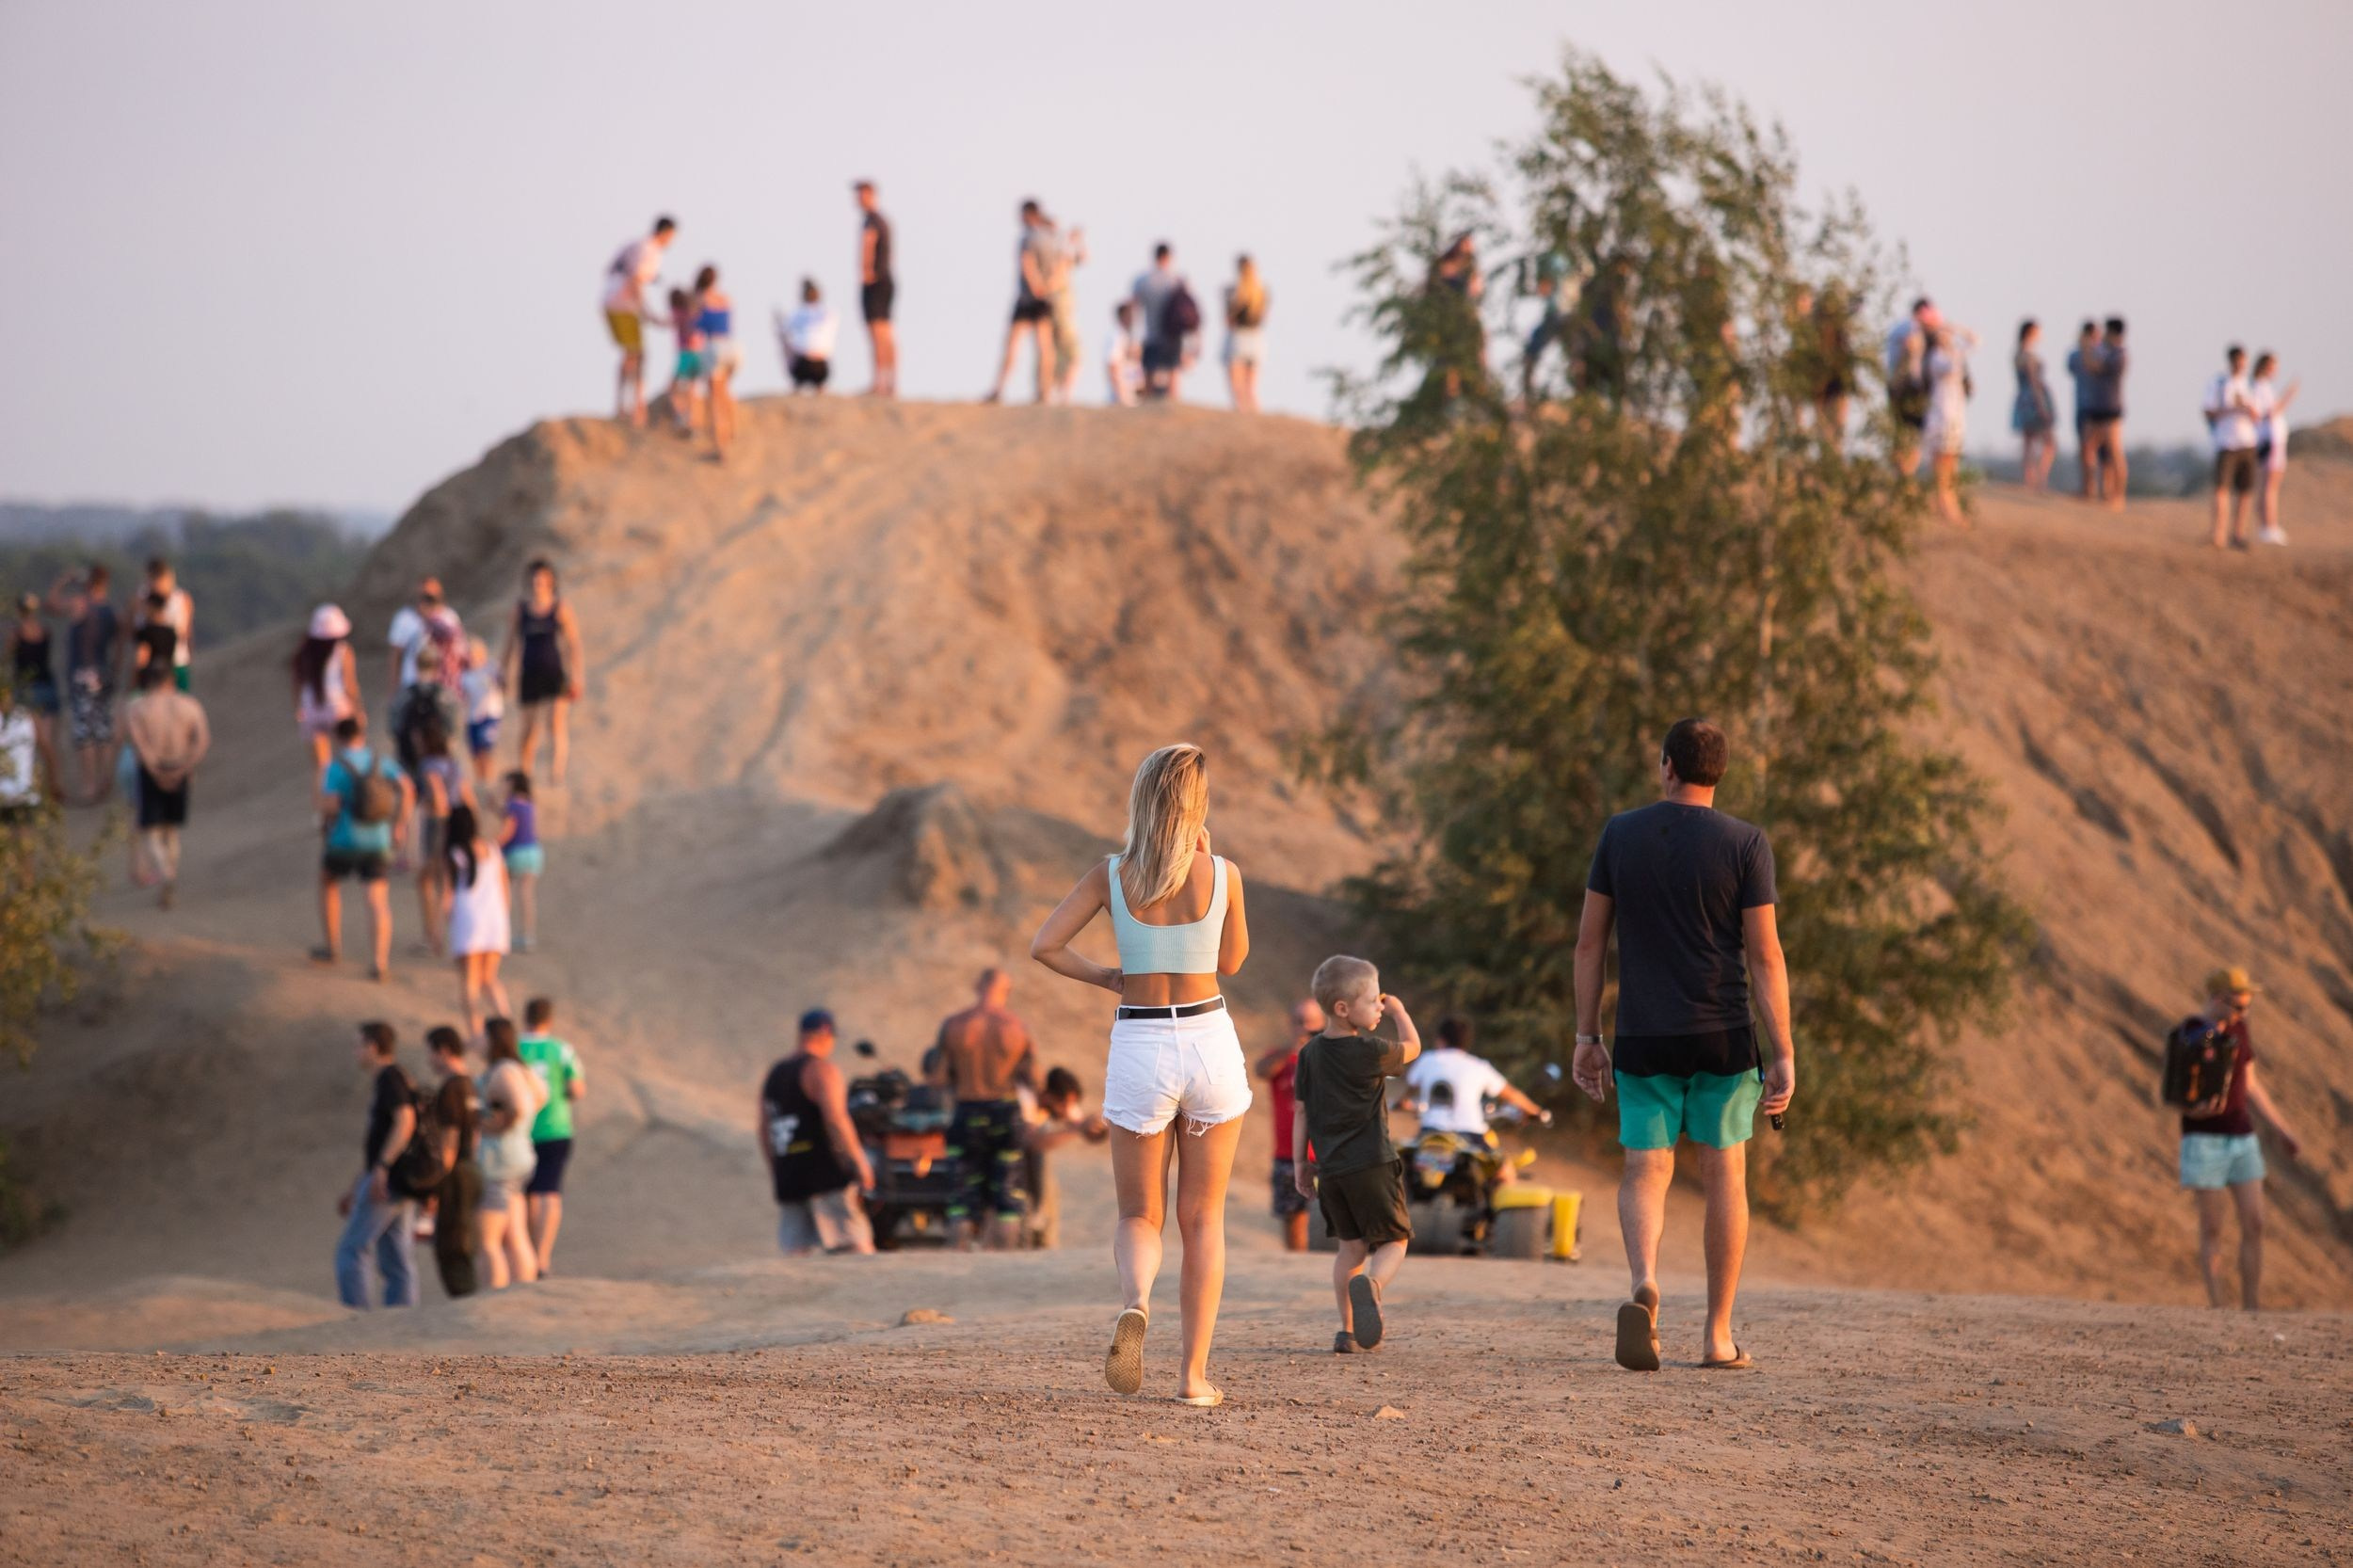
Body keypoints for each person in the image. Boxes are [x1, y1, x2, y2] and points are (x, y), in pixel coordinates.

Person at [1571, 718, 1796, 1371]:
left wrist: (1589, 1035)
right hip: (1723, 1035)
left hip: (1643, 1034)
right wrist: (1782, 1050)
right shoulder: (1747, 844)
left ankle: (1645, 1279)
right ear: (1718, 772)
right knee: (1725, 1173)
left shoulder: (1620, 834)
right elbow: (1766, 956)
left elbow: (1589, 945)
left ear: (1667, 764)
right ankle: (1717, 1335)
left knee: (1646, 1169)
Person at [1030, 743, 1251, 1406]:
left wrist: (1105, 976)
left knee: (1139, 1214)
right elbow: (1233, 961)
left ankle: (1137, 1302)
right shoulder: (1224, 873)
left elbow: (1045, 945)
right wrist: (1208, 862)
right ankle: (1193, 1379)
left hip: (1141, 1040)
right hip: (1208, 1038)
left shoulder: (1111, 874)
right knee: (1203, 1216)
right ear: (1197, 804)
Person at [1293, 957, 1420, 1353]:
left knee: (1350, 1248)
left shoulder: (1309, 1053)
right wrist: (1400, 1012)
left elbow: (1301, 1111)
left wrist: (1301, 1164)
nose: (1380, 1006)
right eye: (1373, 999)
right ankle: (1375, 1285)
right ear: (1343, 1009)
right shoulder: (1370, 1050)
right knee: (1395, 1240)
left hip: (1330, 1170)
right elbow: (1414, 1049)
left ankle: (1347, 1332)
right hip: (1374, 1163)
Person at [2175, 968, 2303, 1312]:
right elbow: (2175, 1090)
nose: (2242, 1014)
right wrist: (2195, 1109)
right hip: (2204, 1140)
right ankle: (2218, 1307)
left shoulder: (2239, 1031)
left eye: (2246, 1008)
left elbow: (2251, 1084)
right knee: (2213, 1227)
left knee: (2255, 1221)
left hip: (2241, 1137)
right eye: (2237, 1007)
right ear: (2218, 999)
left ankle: (2251, 1307)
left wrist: (2282, 1129)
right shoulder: (2191, 1033)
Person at [933, 968, 1042, 1249]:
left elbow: (939, 1078)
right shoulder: (1016, 1027)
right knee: (1006, 1194)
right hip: (1004, 1112)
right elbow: (1034, 1080)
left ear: (976, 985)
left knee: (961, 1196)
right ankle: (1002, 1266)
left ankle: (959, 1258)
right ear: (1006, 992)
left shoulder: (954, 1025)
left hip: (966, 1110)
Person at [760, 1008, 877, 1256]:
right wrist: (859, 1162)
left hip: (789, 1175)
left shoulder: (774, 1075)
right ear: (826, 1036)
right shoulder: (821, 1070)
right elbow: (836, 1119)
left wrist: (778, 1169)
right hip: (824, 1176)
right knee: (855, 1246)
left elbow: (763, 1130)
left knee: (795, 1254)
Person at [315, 713, 415, 979]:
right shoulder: (381, 761)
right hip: (378, 840)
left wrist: (324, 821)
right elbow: (407, 787)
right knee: (377, 899)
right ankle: (379, 963)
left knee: (328, 882)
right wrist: (400, 823)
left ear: (338, 738)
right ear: (362, 735)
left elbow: (332, 804)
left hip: (343, 839)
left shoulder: (335, 767)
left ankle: (332, 947)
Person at [335, 1022, 420, 1309]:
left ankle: (357, 1319)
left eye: (358, 1045)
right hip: (396, 1180)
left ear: (373, 1046)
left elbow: (406, 1120)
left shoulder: (390, 1077)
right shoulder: (398, 1077)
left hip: (389, 1183)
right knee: (395, 1256)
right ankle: (400, 1320)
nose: (355, 1052)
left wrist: (381, 1169)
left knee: (351, 1250)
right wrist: (358, 1182)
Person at [1400, 1016, 1551, 1161]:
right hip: (1469, 1134)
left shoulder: (1427, 1060)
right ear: (1466, 1042)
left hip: (1430, 1132)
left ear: (1441, 1040)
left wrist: (1403, 1102)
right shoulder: (1479, 1066)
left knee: (1407, 1164)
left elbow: (1410, 1089)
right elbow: (1511, 1094)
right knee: (1504, 1172)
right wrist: (1535, 1111)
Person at [120, 661, 209, 907]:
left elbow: (138, 744)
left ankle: (165, 874)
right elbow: (201, 741)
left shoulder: (139, 707)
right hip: (180, 767)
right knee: (171, 829)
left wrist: (155, 771)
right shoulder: (189, 705)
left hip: (151, 770)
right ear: (171, 681)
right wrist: (185, 767)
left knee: (151, 830)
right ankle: (171, 871)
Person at [518, 997, 584, 1276]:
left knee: (529, 1194)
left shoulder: (515, 1047)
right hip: (556, 1127)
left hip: (522, 1128)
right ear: (549, 1020)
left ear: (526, 1017)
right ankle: (542, 1257)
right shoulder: (562, 1049)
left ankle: (528, 1254)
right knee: (550, 1192)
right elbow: (577, 1089)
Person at [474, 1016, 543, 1290]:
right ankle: (523, 1292)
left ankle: (494, 1297)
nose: (477, 1041)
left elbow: (519, 1106)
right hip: (519, 1155)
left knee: (488, 1240)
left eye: (482, 1035)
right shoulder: (521, 1069)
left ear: (493, 1040)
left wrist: (494, 1125)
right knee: (516, 1235)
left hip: (499, 1161)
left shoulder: (502, 1070)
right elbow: (541, 1096)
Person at [503, 559, 584, 787]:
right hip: (529, 674)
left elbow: (573, 644)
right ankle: (525, 773)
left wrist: (576, 676)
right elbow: (509, 644)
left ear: (550, 581)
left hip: (554, 673)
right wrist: (503, 672)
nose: (537, 583)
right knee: (529, 729)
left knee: (555, 722)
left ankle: (556, 773)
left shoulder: (560, 608)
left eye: (542, 579)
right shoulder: (520, 610)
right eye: (534, 579)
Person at [1253, 998, 1325, 1252]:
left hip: (1326, 1154)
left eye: (1310, 1022)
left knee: (1332, 1219)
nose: (1304, 1027)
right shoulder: (1280, 1058)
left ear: (1322, 1024)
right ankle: (1297, 1266)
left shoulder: (1328, 1057)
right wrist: (1292, 1048)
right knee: (1293, 1216)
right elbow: (1261, 1071)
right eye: (1299, 1022)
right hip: (1288, 1156)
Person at [51, 564, 121, 805]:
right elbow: (119, 644)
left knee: (85, 733)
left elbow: (51, 605)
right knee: (103, 731)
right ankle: (104, 782)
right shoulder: (110, 611)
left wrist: (65, 579)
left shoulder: (81, 604)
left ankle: (90, 786)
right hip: (104, 673)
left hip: (82, 674)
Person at [1020, 1065, 1110, 1249]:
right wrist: (1078, 1128)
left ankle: (1045, 1238)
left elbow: (1087, 1131)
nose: (1065, 1110)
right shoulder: (1025, 1098)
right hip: (1008, 1154)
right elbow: (1032, 1143)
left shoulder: (1061, 1102)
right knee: (1042, 1151)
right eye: (1064, 1104)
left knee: (1050, 1187)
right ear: (1049, 1096)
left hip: (1028, 1159)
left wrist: (1100, 1126)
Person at [423, 1025, 482, 1300]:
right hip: (472, 1168)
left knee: (451, 1245)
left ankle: (466, 1304)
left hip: (456, 1173)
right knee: (462, 1239)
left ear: (443, 1051)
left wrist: (435, 1184)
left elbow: (449, 1140)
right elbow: (477, 1132)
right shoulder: (471, 1084)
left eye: (430, 1053)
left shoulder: (450, 1088)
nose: (429, 1060)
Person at [442, 803, 512, 1036]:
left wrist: (440, 928)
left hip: (467, 918)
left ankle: (475, 1032)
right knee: (490, 978)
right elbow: (504, 887)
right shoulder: (492, 848)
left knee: (469, 981)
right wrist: (503, 918)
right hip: (495, 918)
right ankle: (506, 1023)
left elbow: (447, 897)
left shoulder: (454, 853)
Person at [602, 216, 677, 427]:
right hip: (622, 304)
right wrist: (649, 314)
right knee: (635, 354)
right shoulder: (650, 251)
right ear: (667, 233)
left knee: (632, 353)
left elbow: (610, 269)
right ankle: (634, 407)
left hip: (614, 301)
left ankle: (625, 405)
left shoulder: (635, 245)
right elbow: (635, 280)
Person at [985, 200, 1061, 403]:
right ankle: (1044, 392)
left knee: (1013, 345)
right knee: (1044, 347)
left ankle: (999, 389)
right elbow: (1060, 266)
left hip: (1027, 299)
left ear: (1028, 214)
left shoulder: (1028, 237)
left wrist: (1036, 285)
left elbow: (1027, 263)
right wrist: (1049, 287)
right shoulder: (1052, 237)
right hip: (1047, 298)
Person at [410, 718, 471, 955]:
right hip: (459, 825)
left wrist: (432, 809)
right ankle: (452, 937)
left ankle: (432, 937)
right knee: (447, 885)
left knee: (427, 882)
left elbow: (438, 797)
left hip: (438, 826)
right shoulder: (454, 765)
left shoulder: (428, 765)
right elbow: (466, 796)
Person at [1920, 322, 1980, 527]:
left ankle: (1944, 506)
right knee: (1943, 465)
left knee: (1950, 464)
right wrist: (1954, 344)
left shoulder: (1950, 355)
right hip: (1942, 418)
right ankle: (1947, 507)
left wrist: (1957, 329)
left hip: (1953, 418)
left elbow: (1975, 341)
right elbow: (1955, 363)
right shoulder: (1936, 358)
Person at [292, 604, 360, 781]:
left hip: (311, 710)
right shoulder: (343, 651)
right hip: (338, 708)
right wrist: (358, 711)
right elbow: (350, 685)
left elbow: (297, 684)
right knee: (351, 759)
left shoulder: (304, 653)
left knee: (321, 768)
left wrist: (298, 709)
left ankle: (325, 804)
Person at [2204, 345, 2263, 551]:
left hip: (2248, 443)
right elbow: (2209, 411)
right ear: (2230, 361)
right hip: (2226, 443)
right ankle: (2218, 534)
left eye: (2243, 361)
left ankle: (2238, 534)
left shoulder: (2250, 385)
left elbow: (2258, 416)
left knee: (2245, 491)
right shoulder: (2219, 383)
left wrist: (2247, 408)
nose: (2240, 364)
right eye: (2238, 360)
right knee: (2221, 489)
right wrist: (2233, 408)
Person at [1131, 243, 1197, 401]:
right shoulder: (1178, 280)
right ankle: (1173, 406)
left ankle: (1146, 409)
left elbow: (1134, 310)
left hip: (1151, 335)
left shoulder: (1142, 281)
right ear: (1169, 257)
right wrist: (1192, 345)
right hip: (1173, 337)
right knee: (1173, 373)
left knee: (1149, 374)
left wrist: (1133, 339)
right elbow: (1189, 313)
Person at [2249, 352, 2299, 547]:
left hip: (2270, 440)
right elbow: (2271, 412)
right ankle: (2268, 527)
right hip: (2270, 441)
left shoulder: (2261, 387)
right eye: (2273, 366)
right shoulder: (2261, 387)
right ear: (2264, 367)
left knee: (2269, 485)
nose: (2275, 371)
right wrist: (2289, 395)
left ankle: (2268, 527)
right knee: (2270, 486)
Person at [1883, 297, 1936, 477]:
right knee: (1912, 432)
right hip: (1907, 386)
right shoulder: (1911, 328)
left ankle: (1902, 472)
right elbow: (1911, 345)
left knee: (1900, 431)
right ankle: (1905, 473)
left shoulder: (1899, 326)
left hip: (1896, 385)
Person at [693, 264, 741, 458]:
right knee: (725, 391)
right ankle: (732, 430)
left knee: (713, 398)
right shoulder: (725, 299)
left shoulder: (700, 300)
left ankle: (719, 445)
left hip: (713, 347)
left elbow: (696, 326)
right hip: (732, 347)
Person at [2081, 318, 2130, 508]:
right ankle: (2094, 490)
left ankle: (2119, 496)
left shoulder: (2120, 355)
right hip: (2098, 408)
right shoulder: (2105, 351)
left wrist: (2086, 347)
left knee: (2115, 452)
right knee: (2089, 449)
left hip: (2111, 410)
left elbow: (2095, 367)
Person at [9, 593, 60, 776]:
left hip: (28, 691)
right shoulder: (45, 631)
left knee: (32, 741)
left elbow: (8, 660)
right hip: (48, 687)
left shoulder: (16, 634)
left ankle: (44, 784)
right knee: (46, 741)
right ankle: (53, 782)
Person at [854, 181, 896, 397]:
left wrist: (866, 271)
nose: (858, 199)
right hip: (886, 279)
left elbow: (867, 246)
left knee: (878, 334)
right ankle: (889, 382)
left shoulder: (872, 222)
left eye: (862, 195)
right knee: (886, 332)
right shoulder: (883, 221)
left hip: (876, 282)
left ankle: (880, 383)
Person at [2011, 319, 2057, 493]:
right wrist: (2042, 406)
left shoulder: (2019, 353)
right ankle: (2040, 479)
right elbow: (2033, 382)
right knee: (2049, 442)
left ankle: (2029, 478)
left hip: (2024, 399)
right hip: (2033, 399)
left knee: (2029, 441)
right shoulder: (2027, 355)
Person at [499, 770, 542, 952]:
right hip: (534, 852)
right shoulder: (530, 804)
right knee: (526, 896)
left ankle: (500, 935)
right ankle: (527, 936)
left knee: (503, 894)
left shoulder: (512, 804)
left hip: (515, 853)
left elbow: (509, 829)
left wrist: (494, 844)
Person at [138, 558, 193, 692]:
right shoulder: (142, 600)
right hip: (152, 666)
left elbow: (187, 633)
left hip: (177, 662)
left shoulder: (181, 599)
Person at [1223, 255, 1269, 413]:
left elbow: (1227, 320)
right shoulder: (1261, 292)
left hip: (1238, 339)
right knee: (1251, 389)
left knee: (1237, 388)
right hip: (1256, 339)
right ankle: (1256, 419)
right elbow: (1263, 318)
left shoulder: (1233, 292)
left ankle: (1241, 420)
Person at [1048, 221, 1088, 404]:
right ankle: (1064, 395)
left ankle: (1055, 394)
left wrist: (1076, 242)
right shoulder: (1057, 260)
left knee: (1058, 356)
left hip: (1058, 314)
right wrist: (1070, 241)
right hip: (1061, 315)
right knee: (1074, 356)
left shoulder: (1055, 257)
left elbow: (1083, 258)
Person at [0, 676, 49, 822]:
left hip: (13, 794)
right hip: (23, 792)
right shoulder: (29, 717)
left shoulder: (28, 717)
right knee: (25, 837)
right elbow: (47, 750)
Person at [658, 286, 705, 434]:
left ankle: (681, 416)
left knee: (671, 388)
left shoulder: (677, 313)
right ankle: (692, 420)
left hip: (686, 354)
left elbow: (663, 323)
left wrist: (647, 315)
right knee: (692, 388)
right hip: (699, 353)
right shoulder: (693, 314)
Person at [778, 279, 839, 394]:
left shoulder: (797, 313)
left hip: (802, 366)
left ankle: (796, 385)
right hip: (823, 368)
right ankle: (820, 387)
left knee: (786, 343)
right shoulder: (830, 312)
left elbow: (784, 332)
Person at [459, 634, 503, 791]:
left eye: (473, 653)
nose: (471, 657)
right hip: (472, 718)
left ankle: (489, 782)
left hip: (490, 715)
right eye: (469, 653)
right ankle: (480, 783)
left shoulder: (491, 667)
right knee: (475, 753)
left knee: (486, 750)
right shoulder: (464, 675)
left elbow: (503, 682)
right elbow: (461, 696)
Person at [2065, 320, 2102, 495]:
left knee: (2101, 451)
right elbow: (2070, 367)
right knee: (2084, 449)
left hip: (2100, 408)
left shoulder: (2102, 353)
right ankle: (2087, 488)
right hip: (2083, 406)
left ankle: (2101, 489)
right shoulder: (2076, 354)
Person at [1106, 301, 1143, 408]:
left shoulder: (1129, 336)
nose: (1133, 319)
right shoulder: (1116, 337)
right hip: (1121, 399)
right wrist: (1121, 396)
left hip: (1133, 395)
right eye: (1130, 315)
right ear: (1122, 316)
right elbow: (1112, 366)